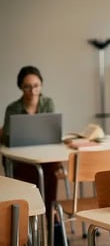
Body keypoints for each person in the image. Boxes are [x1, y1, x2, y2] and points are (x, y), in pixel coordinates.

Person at [1, 65, 60, 227]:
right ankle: (28, 220)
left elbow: (53, 131)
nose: (32, 90)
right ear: (21, 87)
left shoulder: (47, 103)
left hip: (44, 156)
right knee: (34, 174)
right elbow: (6, 137)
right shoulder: (13, 108)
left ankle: (51, 219)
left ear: (41, 85)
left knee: (50, 171)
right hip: (22, 159)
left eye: (36, 86)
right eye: (27, 86)